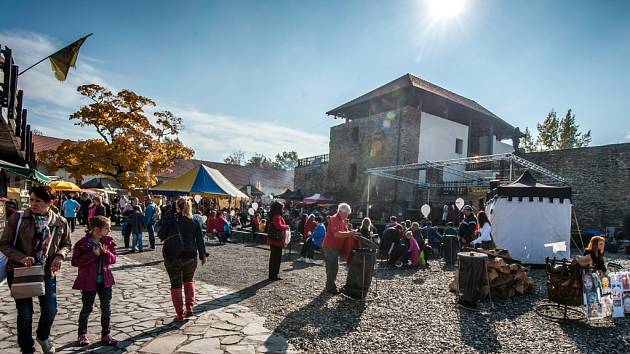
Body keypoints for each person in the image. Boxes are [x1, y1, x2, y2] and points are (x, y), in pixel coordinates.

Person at [0, 185, 72, 354]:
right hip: (19, 271)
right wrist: (20, 257)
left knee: (50, 310)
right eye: (31, 199)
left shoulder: (59, 222)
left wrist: (59, 255)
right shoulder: (18, 218)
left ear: (50, 203)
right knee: (25, 314)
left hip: (46, 272)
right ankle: (27, 348)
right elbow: (4, 243)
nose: (33, 204)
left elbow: (66, 244)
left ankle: (43, 335)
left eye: (38, 201)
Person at [158, 197, 208, 321]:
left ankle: (180, 314)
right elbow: (200, 240)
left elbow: (161, 235)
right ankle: (190, 308)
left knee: (175, 285)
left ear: (177, 207)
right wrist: (202, 255)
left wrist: (166, 219)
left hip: (172, 257)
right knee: (189, 281)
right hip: (190, 256)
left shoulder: (171, 219)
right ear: (190, 207)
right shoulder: (195, 221)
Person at [71, 216, 118, 346]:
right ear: (97, 229)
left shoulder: (108, 242)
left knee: (106, 309)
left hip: (105, 281)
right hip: (88, 282)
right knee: (86, 308)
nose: (109, 231)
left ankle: (106, 334)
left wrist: (106, 253)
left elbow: (114, 259)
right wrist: (94, 254)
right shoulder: (82, 243)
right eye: (106, 228)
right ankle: (82, 334)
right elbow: (75, 262)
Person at [321, 203, 359, 294]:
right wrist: (351, 233)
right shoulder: (334, 219)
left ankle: (329, 286)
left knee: (333, 267)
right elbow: (337, 234)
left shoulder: (342, 220)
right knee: (332, 267)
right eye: (346, 214)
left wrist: (351, 232)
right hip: (330, 246)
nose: (347, 216)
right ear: (342, 212)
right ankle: (331, 288)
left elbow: (344, 232)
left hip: (335, 247)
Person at [266, 201, 289, 281]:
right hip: (277, 240)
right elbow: (278, 226)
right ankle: (274, 275)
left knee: (273, 258)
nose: (283, 209)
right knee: (276, 259)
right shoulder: (277, 216)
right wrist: (286, 226)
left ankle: (272, 274)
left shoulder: (274, 215)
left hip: (274, 240)